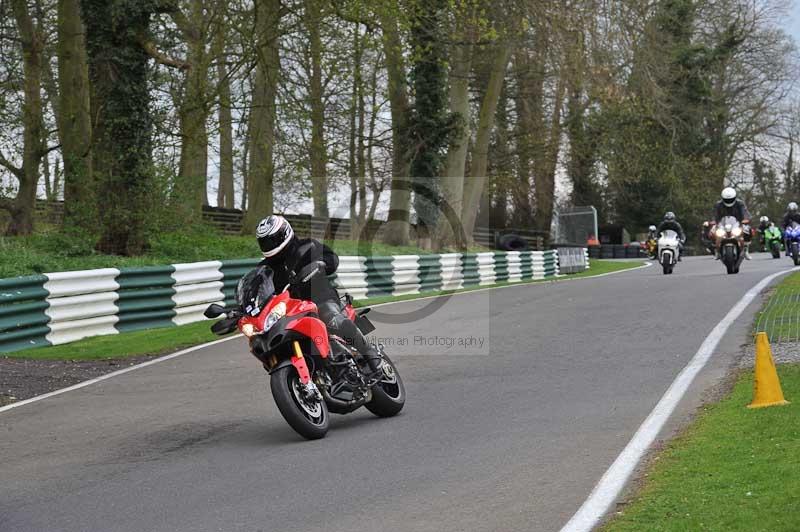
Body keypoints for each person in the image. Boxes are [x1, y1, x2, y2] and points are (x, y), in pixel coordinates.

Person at [255, 215, 383, 375]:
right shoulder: (264, 268)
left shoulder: (307, 246)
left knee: (333, 319)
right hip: (291, 311)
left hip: (320, 298)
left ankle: (370, 353)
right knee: (270, 340)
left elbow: (332, 258)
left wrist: (322, 263)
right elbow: (257, 289)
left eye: (272, 240)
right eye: (265, 242)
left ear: (284, 233)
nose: (269, 245)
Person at [713, 187, 752, 259]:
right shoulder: (718, 204)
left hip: (738, 223)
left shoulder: (740, 203)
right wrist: (713, 221)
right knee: (712, 231)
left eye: (730, 199)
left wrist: (746, 219)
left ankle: (746, 249)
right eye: (727, 200)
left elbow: (745, 212)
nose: (729, 201)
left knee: (748, 229)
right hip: (723, 224)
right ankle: (717, 250)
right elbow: (714, 215)